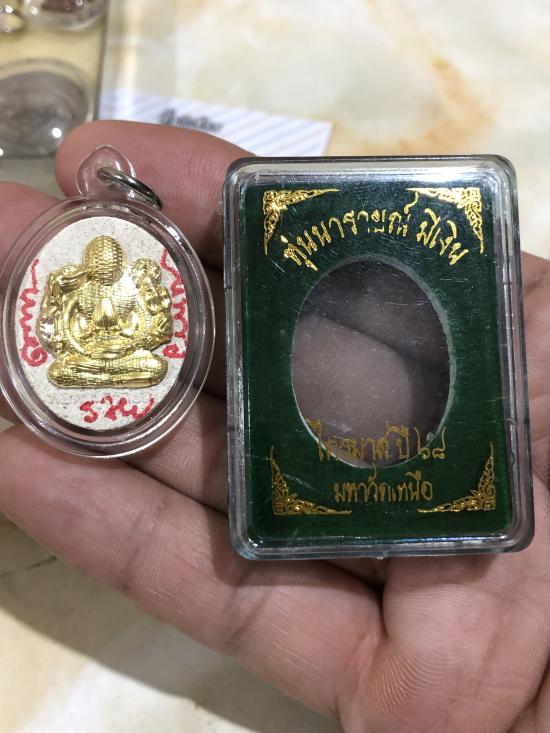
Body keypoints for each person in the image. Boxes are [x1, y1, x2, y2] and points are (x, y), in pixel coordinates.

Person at [0, 121, 549, 733]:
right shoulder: (80, 286)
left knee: (149, 365)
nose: (105, 277)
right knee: (90, 372)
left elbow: (145, 328)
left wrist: (131, 325)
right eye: (99, 268)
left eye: (110, 268)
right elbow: (66, 331)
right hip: (95, 366)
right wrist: (88, 331)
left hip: (141, 366)